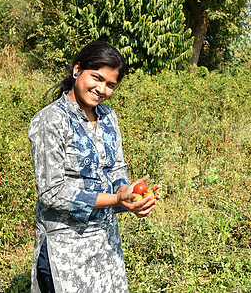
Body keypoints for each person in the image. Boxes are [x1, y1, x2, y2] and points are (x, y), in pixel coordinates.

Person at [28, 41, 160, 292]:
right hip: (65, 250)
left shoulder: (108, 116)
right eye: (96, 78)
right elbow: (51, 193)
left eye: (110, 85)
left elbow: (117, 168)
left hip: (106, 244)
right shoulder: (50, 121)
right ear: (77, 70)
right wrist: (115, 199)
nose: (102, 89)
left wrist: (130, 196)